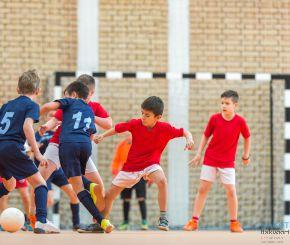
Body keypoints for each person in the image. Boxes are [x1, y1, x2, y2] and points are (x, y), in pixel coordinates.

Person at [95, 96, 194, 231]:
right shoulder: (136, 124)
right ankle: (102, 222)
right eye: (142, 113)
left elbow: (184, 132)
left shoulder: (165, 128)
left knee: (162, 181)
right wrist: (102, 135)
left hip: (150, 165)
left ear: (158, 117)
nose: (143, 117)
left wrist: (189, 139)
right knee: (109, 195)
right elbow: (118, 128)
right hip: (131, 167)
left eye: (147, 115)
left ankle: (163, 217)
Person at [40, 81, 114, 233]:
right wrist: (47, 125)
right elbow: (55, 119)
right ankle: (36, 217)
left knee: (77, 185)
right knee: (50, 178)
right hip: (82, 145)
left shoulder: (72, 103)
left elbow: (50, 109)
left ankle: (99, 221)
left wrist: (33, 114)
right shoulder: (86, 108)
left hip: (67, 144)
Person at [0, 69, 60, 233]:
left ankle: (39, 220)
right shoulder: (32, 105)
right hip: (12, 148)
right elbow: (27, 126)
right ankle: (41, 221)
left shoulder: (6, 105)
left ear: (18, 90)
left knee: (9, 184)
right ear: (38, 91)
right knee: (40, 183)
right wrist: (38, 153)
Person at [183, 90, 251, 233]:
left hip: (227, 162)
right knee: (202, 189)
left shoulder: (240, 121)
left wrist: (246, 155)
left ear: (235, 105)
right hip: (211, 158)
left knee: (231, 191)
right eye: (222, 103)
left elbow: (247, 137)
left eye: (227, 103)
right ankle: (194, 221)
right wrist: (198, 154)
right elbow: (206, 136)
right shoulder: (214, 119)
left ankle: (234, 223)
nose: (223, 106)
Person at [110, 133, 149, 230]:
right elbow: (116, 160)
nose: (128, 137)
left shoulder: (141, 145)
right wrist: (115, 171)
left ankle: (144, 222)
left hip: (139, 175)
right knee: (126, 199)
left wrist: (149, 175)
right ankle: (125, 222)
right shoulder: (121, 146)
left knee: (141, 199)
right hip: (126, 175)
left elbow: (148, 160)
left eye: (130, 134)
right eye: (126, 134)